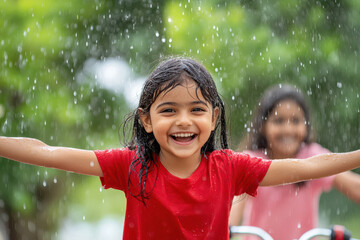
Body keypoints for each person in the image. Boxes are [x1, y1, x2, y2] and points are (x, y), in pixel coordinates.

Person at [1, 58, 360, 240]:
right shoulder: (129, 166)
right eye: (168, 110)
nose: (183, 121)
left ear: (215, 116)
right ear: (146, 120)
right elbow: (45, 151)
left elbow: (309, 165)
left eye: (197, 110)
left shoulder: (231, 168)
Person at [229, 84, 360, 240]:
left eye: (296, 121)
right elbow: (231, 214)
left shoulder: (312, 157)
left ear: (306, 125)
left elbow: (355, 187)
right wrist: (226, 227)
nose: (288, 129)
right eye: (279, 121)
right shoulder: (252, 162)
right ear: (262, 126)